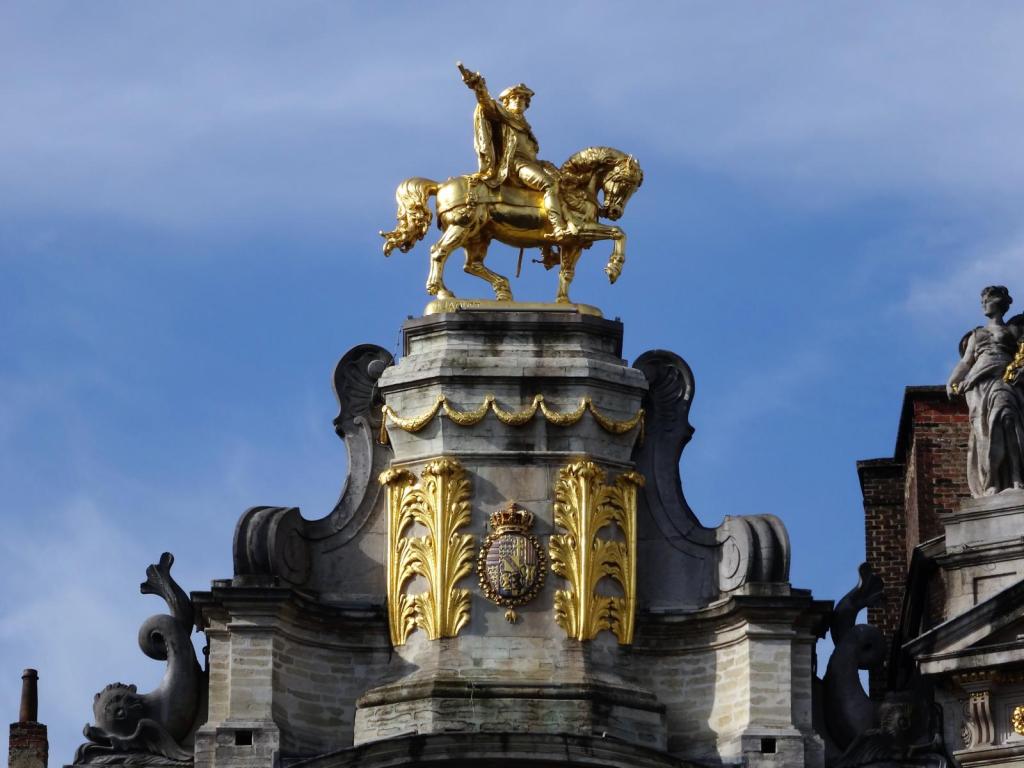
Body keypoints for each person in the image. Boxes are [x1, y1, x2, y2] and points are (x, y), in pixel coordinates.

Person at [458, 63, 576, 239]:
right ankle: (557, 227)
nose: (520, 102)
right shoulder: (503, 115)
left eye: (523, 100)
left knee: (564, 186)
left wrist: (543, 164)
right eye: (515, 99)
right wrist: (479, 87)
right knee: (549, 184)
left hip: (530, 164)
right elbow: (486, 103)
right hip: (515, 165)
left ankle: (547, 245)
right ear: (506, 102)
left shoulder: (525, 125)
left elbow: (530, 153)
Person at [947, 285, 1024, 497]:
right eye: (982, 301)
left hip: (1004, 378)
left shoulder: (1014, 330)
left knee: (1007, 418)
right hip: (978, 383)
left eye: (988, 300)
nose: (984, 304)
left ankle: (1017, 477)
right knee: (984, 432)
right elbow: (966, 362)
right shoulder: (976, 334)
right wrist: (952, 381)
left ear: (1000, 302)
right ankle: (992, 481)